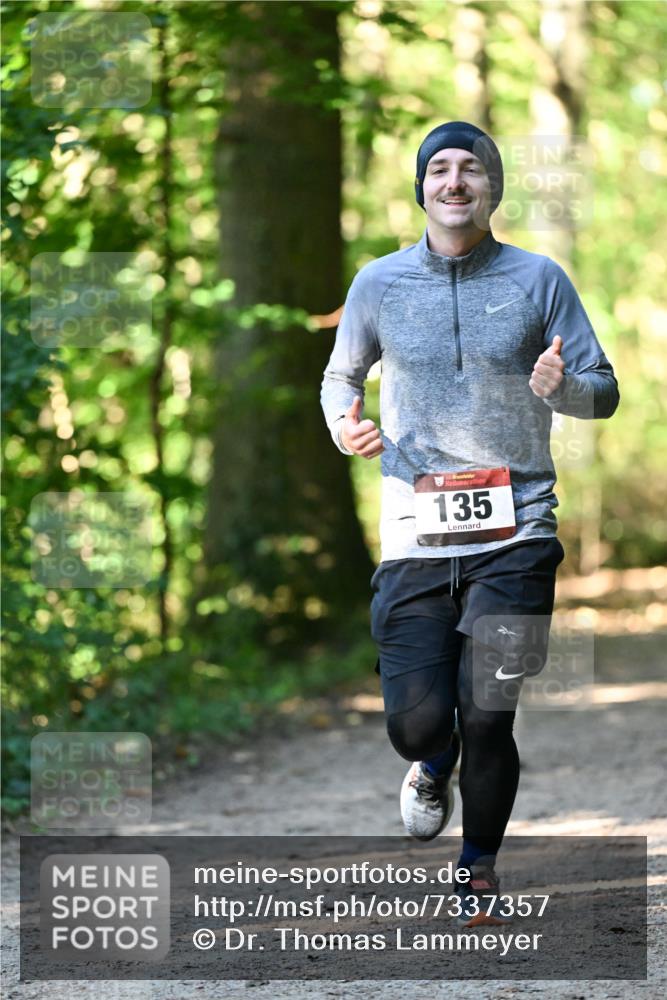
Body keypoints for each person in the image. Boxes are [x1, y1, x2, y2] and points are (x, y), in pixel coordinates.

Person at [320, 121, 619, 927]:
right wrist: (344, 425)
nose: (455, 182)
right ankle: (432, 763)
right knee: (417, 723)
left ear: (492, 186)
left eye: (472, 170)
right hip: (414, 532)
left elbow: (602, 388)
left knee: (489, 707)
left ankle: (478, 866)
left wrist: (561, 390)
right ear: (421, 187)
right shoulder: (378, 283)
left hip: (516, 531)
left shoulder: (537, 279)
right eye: (440, 170)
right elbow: (339, 377)